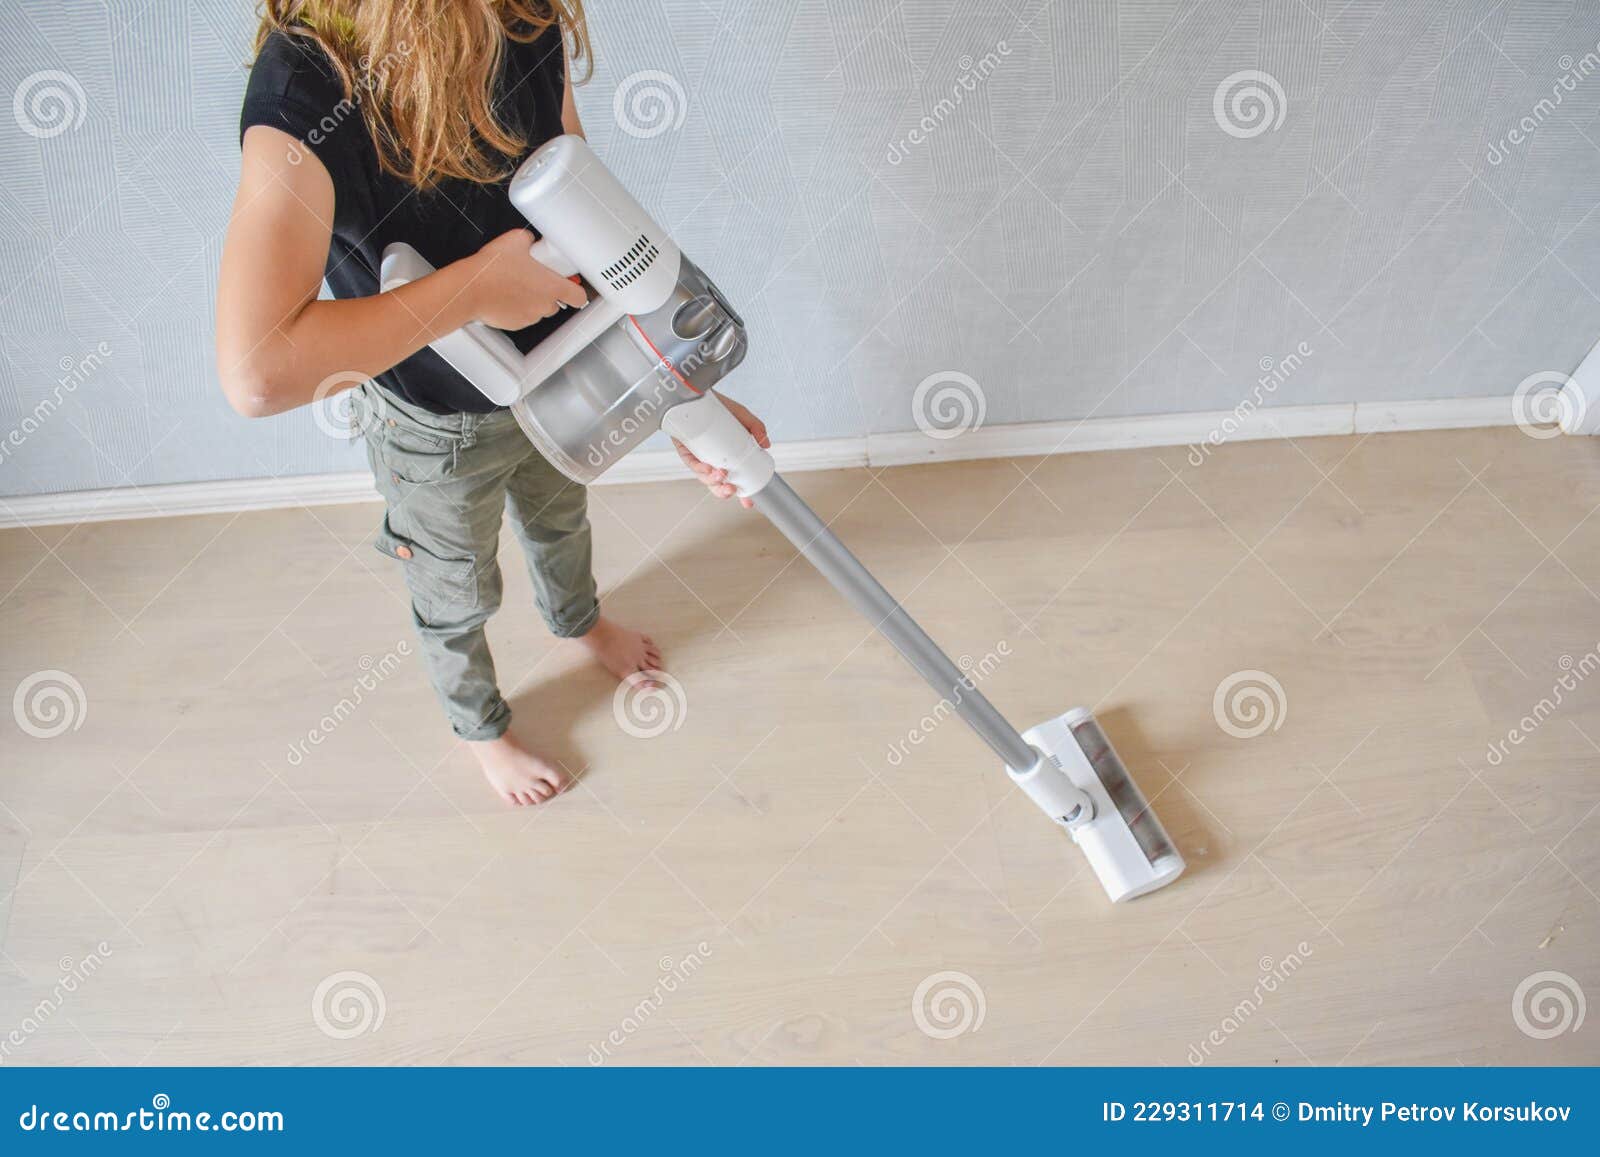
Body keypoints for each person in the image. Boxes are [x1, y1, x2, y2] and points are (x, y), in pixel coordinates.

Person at [216, 0, 767, 806]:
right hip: (432, 426)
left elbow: (588, 221)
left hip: (555, 377)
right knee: (455, 592)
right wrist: (473, 291)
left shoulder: (522, 12)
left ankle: (580, 623)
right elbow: (257, 372)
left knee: (560, 522)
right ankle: (481, 729)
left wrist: (681, 395)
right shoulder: (306, 87)